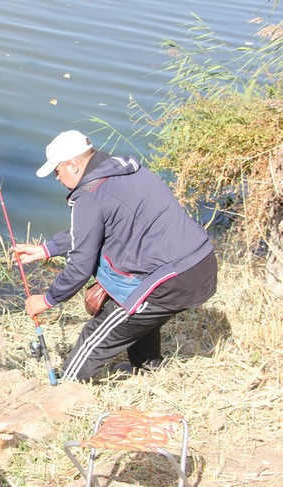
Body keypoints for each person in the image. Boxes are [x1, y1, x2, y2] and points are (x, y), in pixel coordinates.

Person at [13, 130, 217, 382]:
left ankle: (66, 387)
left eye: (57, 170)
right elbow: (97, 226)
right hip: (201, 263)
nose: (57, 177)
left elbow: (80, 266)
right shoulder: (129, 172)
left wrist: (47, 299)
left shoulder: (87, 195)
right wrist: (47, 249)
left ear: (73, 166)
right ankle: (149, 374)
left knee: (95, 336)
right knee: (139, 318)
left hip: (170, 279)